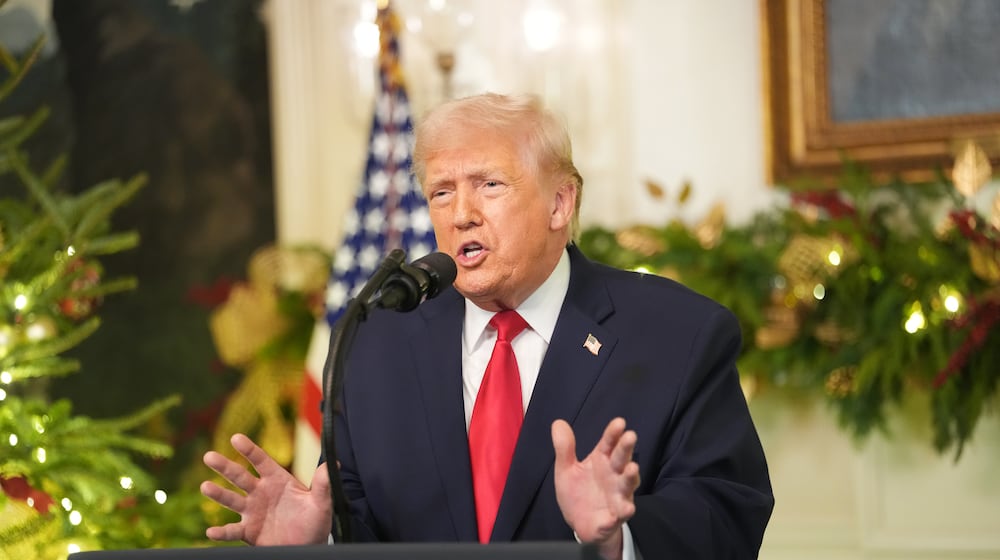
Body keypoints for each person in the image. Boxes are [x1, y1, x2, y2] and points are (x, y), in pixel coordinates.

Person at [201, 92, 774, 559]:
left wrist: (618, 538)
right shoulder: (378, 342)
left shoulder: (679, 333)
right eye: (442, 193)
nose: (460, 214)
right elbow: (366, 527)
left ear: (560, 204)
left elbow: (728, 514)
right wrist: (316, 544)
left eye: (489, 185)